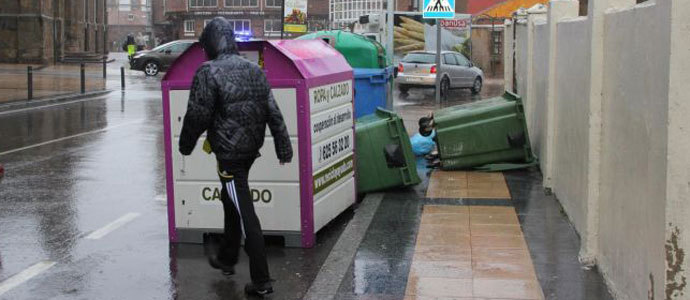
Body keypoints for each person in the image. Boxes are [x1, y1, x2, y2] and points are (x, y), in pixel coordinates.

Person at [178, 17, 292, 296]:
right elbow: (273, 112)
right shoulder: (254, 70)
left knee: (244, 211)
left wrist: (185, 145)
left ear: (212, 44)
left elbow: (197, 115)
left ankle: (262, 280)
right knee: (231, 199)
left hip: (229, 155)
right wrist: (283, 147)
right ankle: (228, 259)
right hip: (250, 150)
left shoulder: (208, 71)